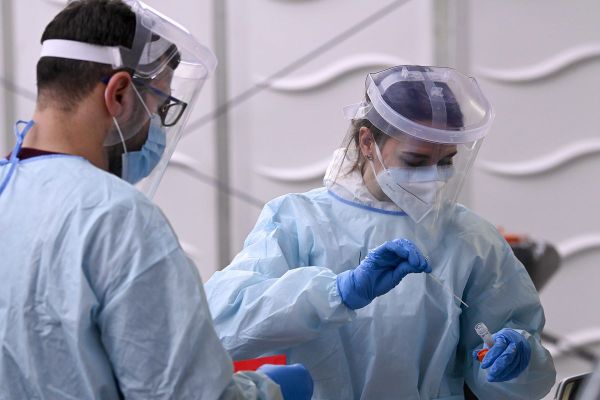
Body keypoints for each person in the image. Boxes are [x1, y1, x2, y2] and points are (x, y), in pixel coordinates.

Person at [0, 1, 313, 399]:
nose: (156, 128)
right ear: (118, 94)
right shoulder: (117, 218)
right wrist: (267, 392)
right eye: (160, 105)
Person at [205, 65, 557, 399]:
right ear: (367, 142)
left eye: (446, 161)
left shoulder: (471, 237)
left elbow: (505, 380)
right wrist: (337, 293)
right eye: (416, 162)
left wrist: (517, 362)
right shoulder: (298, 220)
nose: (433, 176)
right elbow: (223, 324)